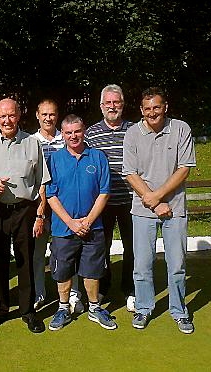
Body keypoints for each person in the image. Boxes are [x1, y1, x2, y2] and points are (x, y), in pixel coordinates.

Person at [123, 87, 196, 334]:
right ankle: (143, 308)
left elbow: (184, 168)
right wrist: (153, 201)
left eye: (157, 107)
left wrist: (158, 196)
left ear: (165, 107)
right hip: (143, 209)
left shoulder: (181, 129)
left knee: (176, 264)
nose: (152, 112)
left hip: (174, 209)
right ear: (141, 110)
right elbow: (130, 173)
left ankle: (179, 311)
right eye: (147, 108)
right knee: (142, 265)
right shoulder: (133, 133)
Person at [0, 97, 49, 334]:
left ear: (19, 116)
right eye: (2, 116)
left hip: (24, 210)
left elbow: (42, 183)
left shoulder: (32, 143)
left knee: (25, 260)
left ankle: (27, 311)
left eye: (12, 115)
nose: (7, 120)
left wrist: (40, 215)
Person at [46, 115, 116, 331]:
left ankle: (95, 308)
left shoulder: (98, 157)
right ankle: (63, 308)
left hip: (92, 228)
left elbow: (104, 193)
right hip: (63, 229)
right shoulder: (55, 159)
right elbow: (51, 195)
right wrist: (71, 222)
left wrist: (87, 221)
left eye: (77, 131)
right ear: (63, 134)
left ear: (84, 130)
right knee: (63, 271)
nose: (73, 136)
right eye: (68, 133)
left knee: (92, 271)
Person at [85, 84, 135, 311]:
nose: (112, 106)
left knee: (132, 248)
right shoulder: (91, 134)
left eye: (116, 102)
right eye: (108, 103)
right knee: (100, 249)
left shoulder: (136, 130)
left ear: (122, 105)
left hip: (131, 200)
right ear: (101, 106)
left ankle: (130, 289)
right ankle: (103, 287)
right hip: (101, 203)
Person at [32, 99, 84, 314]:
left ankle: (74, 295)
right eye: (44, 114)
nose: (48, 118)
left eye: (52, 114)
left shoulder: (67, 139)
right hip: (40, 205)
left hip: (66, 204)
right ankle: (39, 293)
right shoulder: (31, 141)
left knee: (69, 251)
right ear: (37, 115)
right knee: (38, 252)